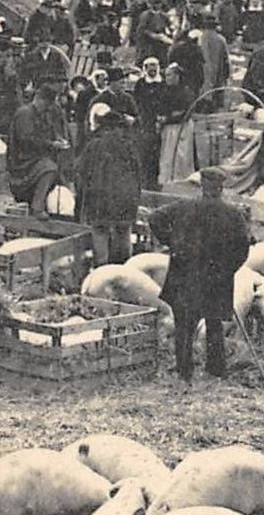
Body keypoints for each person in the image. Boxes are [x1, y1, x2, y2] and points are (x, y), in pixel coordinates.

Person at [151, 166, 250, 382]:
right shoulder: (233, 215)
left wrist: (171, 241)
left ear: (202, 186)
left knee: (183, 326)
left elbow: (155, 218)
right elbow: (243, 248)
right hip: (216, 280)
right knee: (214, 325)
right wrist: (228, 269)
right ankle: (215, 370)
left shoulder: (184, 207)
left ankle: (184, 372)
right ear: (220, 188)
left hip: (185, 276)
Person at [74, 106, 141, 265]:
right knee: (123, 230)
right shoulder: (128, 146)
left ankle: (101, 269)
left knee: (100, 231)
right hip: (125, 197)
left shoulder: (94, 145)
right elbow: (138, 172)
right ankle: (124, 267)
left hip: (100, 197)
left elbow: (81, 172)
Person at [8, 83, 70, 215]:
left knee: (59, 169)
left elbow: (48, 132)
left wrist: (57, 139)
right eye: (46, 105)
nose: (47, 109)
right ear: (40, 100)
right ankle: (37, 206)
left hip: (35, 158)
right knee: (49, 169)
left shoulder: (41, 113)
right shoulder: (24, 114)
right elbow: (27, 140)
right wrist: (51, 145)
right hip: (23, 162)